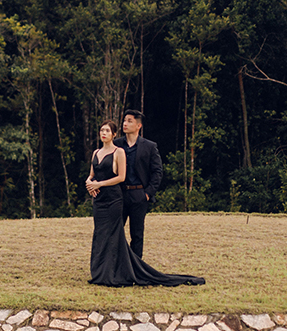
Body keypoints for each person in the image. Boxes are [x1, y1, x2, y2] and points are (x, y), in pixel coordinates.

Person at [85, 121, 204, 287]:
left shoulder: (119, 152)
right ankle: (99, 271)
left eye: (107, 130)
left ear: (113, 134)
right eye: (101, 130)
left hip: (113, 199)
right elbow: (92, 174)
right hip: (99, 200)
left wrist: (99, 184)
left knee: (114, 234)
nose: (103, 133)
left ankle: (115, 272)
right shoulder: (96, 153)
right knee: (100, 234)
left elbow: (121, 177)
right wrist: (89, 182)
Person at [115, 110, 162, 259]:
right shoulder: (116, 144)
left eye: (129, 121)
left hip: (139, 194)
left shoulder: (149, 146)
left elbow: (157, 171)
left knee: (137, 234)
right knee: (115, 232)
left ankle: (136, 268)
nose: (125, 123)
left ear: (138, 126)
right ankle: (115, 266)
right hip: (119, 194)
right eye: (124, 120)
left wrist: (148, 193)